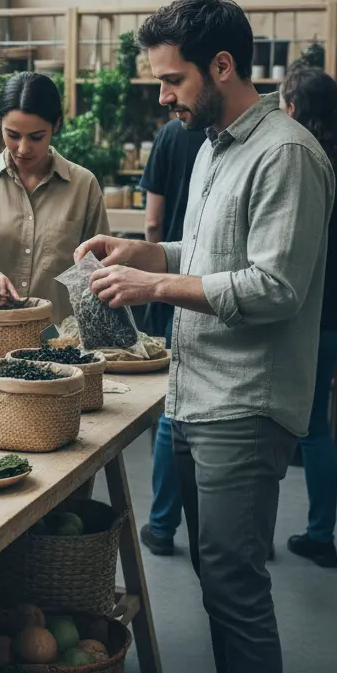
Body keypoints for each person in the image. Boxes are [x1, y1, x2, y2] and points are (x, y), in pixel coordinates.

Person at [76, 0, 333, 673]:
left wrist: (154, 285)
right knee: (219, 588)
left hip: (245, 403)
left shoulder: (287, 154)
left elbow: (274, 286)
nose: (164, 97)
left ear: (222, 66)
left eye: (173, 79)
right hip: (199, 394)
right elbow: (211, 253)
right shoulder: (215, 143)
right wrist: (143, 250)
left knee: (236, 591)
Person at [0, 71, 109, 323]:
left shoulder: (83, 186)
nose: (23, 148)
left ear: (57, 125)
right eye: (12, 135)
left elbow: (97, 269)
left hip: (58, 342)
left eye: (36, 137)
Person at [280, 62, 337, 568]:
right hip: (333, 314)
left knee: (267, 424)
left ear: (293, 109)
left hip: (291, 309)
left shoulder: (296, 164)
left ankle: (256, 537)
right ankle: (321, 533)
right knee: (316, 428)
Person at [138, 116, 206, 557]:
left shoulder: (170, 134)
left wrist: (152, 280)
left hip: (170, 281)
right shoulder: (226, 137)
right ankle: (223, 528)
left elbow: (152, 222)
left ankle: (162, 525)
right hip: (208, 284)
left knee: (172, 403)